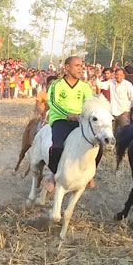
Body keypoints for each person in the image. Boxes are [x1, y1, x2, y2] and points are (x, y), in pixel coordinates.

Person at [42, 56, 93, 194]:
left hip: (79, 121)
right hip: (61, 120)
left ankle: (89, 174)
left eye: (81, 66)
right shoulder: (57, 85)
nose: (80, 69)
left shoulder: (85, 86)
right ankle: (52, 173)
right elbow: (52, 103)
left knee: (96, 145)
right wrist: (67, 114)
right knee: (58, 146)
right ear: (67, 67)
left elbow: (90, 103)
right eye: (77, 66)